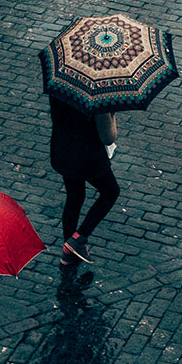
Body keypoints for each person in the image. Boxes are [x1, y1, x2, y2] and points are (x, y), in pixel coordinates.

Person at [48, 95, 121, 266]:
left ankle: (68, 254)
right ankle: (78, 239)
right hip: (88, 156)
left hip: (63, 147)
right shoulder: (98, 96)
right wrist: (112, 112)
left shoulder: (60, 85)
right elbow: (108, 137)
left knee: (75, 196)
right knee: (110, 192)